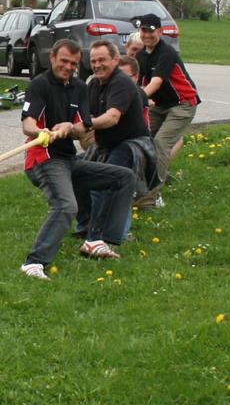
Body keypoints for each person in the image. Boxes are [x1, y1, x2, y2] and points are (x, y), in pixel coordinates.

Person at [18, 40, 134, 279]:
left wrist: (70, 128)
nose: (68, 67)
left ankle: (96, 240)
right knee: (66, 206)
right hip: (44, 159)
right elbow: (27, 123)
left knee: (123, 178)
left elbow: (83, 129)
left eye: (73, 63)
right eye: (64, 61)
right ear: (52, 58)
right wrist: (41, 131)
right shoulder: (39, 85)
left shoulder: (80, 87)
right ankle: (34, 263)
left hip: (68, 160)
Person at [85, 39, 159, 242]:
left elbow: (112, 118)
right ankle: (92, 231)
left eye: (102, 59)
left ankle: (109, 237)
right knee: (88, 180)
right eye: (93, 61)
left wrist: (84, 125)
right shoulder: (94, 84)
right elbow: (83, 113)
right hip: (106, 145)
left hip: (133, 145)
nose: (97, 65)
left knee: (112, 182)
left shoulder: (121, 83)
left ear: (115, 59)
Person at [133, 14, 200, 207]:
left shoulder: (166, 53)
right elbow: (139, 83)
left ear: (160, 32)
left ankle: (151, 197)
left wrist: (137, 99)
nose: (147, 35)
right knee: (140, 140)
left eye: (151, 31)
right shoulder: (141, 56)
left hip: (183, 104)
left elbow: (156, 82)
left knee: (160, 144)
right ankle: (149, 181)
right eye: (144, 30)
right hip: (160, 105)